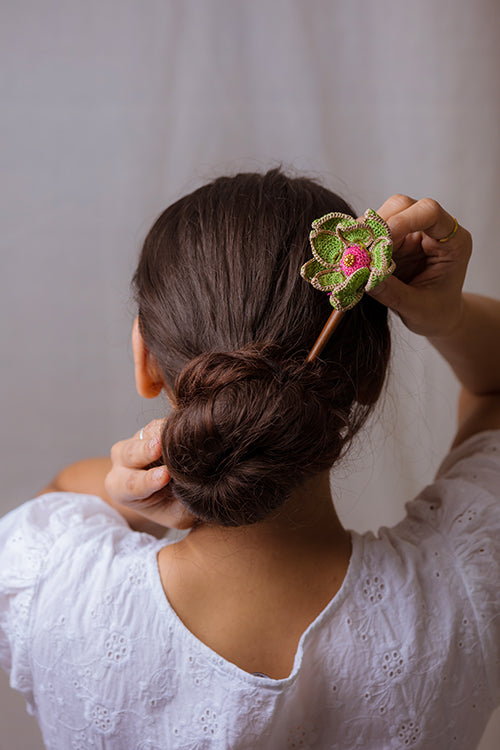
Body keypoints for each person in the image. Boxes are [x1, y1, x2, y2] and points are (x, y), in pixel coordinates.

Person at [1, 170, 499, 749]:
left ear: (146, 359)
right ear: (372, 371)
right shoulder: (467, 579)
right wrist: (449, 316)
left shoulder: (53, 582)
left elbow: (63, 493)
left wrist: (135, 489)